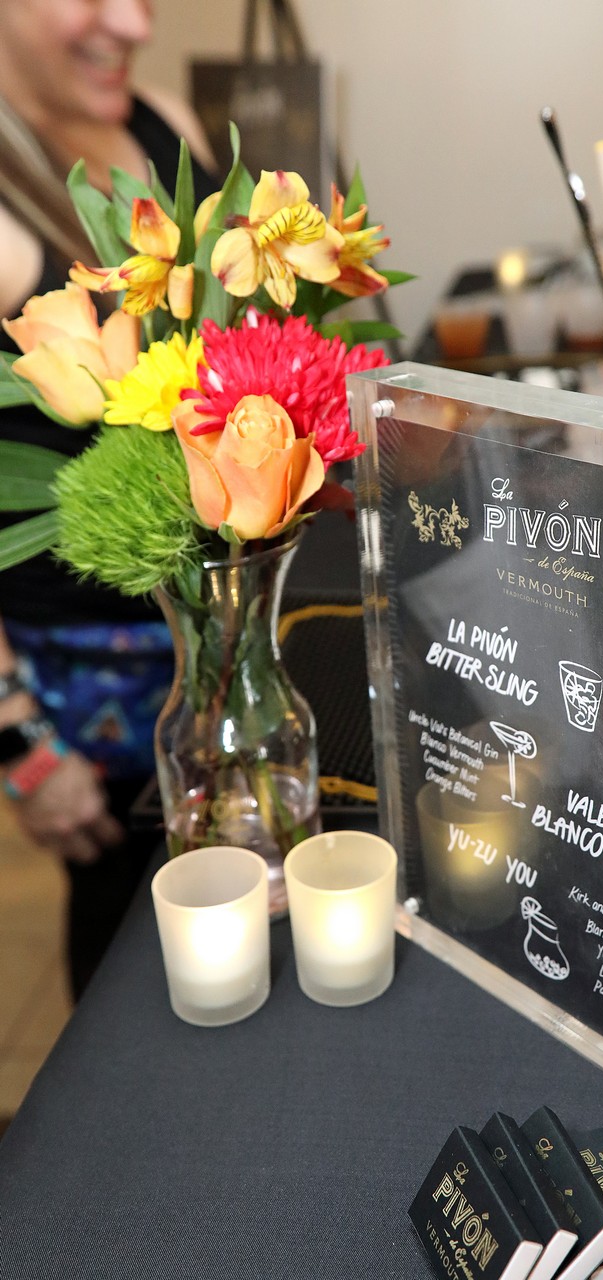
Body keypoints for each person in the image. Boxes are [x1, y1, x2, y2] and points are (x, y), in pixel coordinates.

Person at [0, 0, 218, 998]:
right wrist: (18, 743)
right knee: (135, 973)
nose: (132, 23)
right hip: (100, 725)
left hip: (230, 652)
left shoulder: (166, 121)